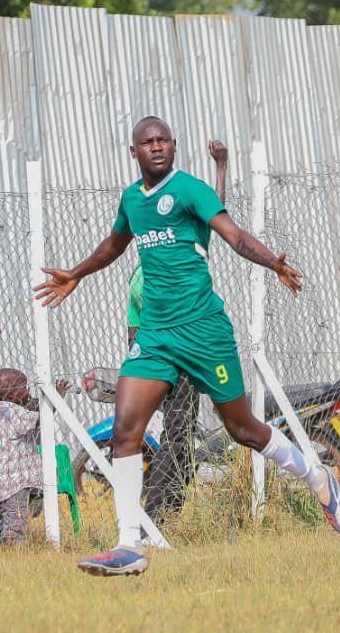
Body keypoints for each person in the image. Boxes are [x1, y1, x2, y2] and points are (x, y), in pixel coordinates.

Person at [36, 116, 340, 577]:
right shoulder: (131, 200)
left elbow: (235, 236)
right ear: (134, 151)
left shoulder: (189, 189)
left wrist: (273, 264)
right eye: (148, 142)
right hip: (156, 334)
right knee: (126, 428)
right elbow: (115, 243)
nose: (157, 147)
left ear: (174, 146)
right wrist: (76, 273)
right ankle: (129, 544)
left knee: (243, 429)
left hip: (205, 331)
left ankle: (317, 477)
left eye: (164, 140)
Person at [130, 139, 228, 524]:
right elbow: (136, 328)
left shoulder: (180, 249)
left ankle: (165, 510)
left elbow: (212, 216)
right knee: (172, 438)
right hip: (164, 357)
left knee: (180, 434)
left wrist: (222, 168)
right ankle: (154, 514)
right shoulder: (149, 275)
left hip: (186, 351)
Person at [0, 368, 69, 546]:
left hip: (4, 478)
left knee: (7, 515)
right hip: (14, 479)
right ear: (11, 393)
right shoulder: (12, 411)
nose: (28, 391)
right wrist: (57, 398)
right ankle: (12, 545)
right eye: (24, 387)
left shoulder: (1, 411)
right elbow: (40, 419)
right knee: (16, 516)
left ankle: (2, 543)